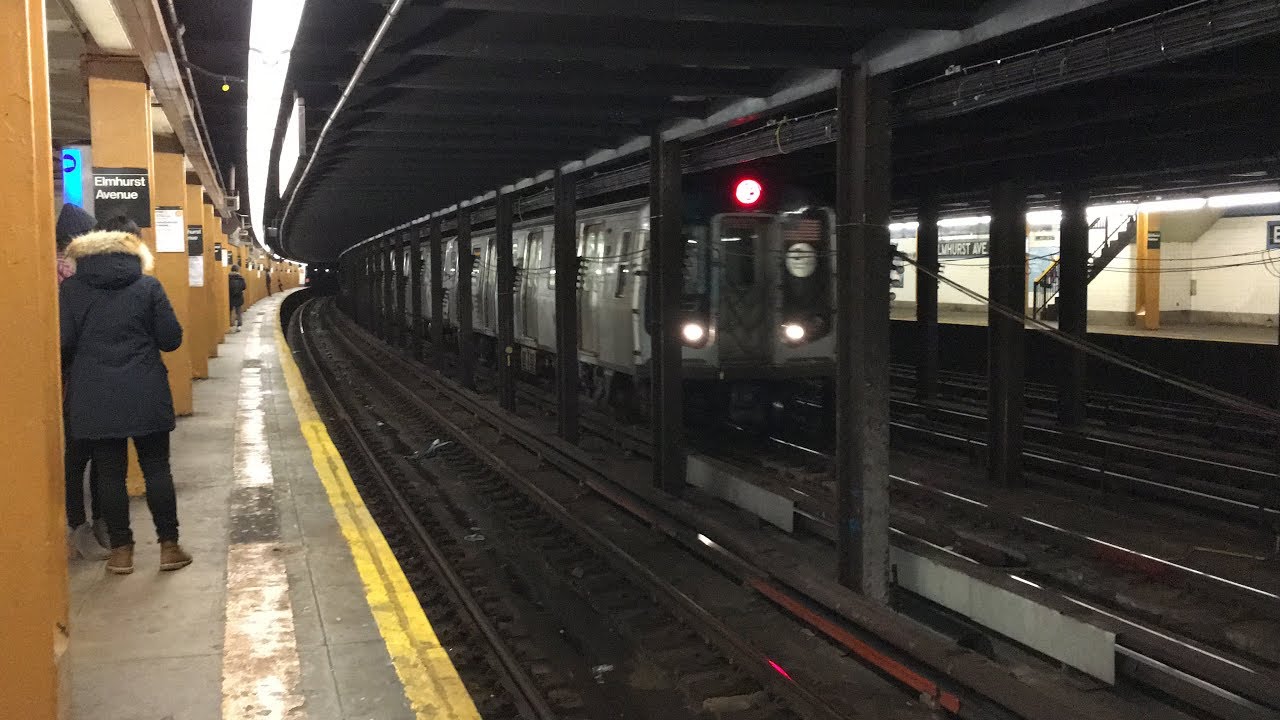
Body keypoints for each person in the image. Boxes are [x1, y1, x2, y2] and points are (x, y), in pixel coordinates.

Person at [60, 216, 192, 574]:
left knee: (109, 475)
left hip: (95, 395)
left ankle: (121, 552)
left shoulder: (71, 290)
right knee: (157, 469)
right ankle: (169, 547)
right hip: (145, 389)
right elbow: (171, 338)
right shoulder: (148, 287)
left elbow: (64, 344)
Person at [56, 203, 111, 560]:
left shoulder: (63, 275)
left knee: (78, 454)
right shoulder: (73, 279)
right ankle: (90, 522)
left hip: (70, 376)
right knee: (89, 452)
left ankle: (81, 523)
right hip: (78, 376)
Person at [228, 264, 247, 331]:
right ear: (237, 270)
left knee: (229, 311)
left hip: (230, 297)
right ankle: (239, 325)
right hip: (238, 297)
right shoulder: (240, 278)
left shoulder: (228, 278)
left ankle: (229, 325)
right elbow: (244, 287)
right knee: (238, 312)